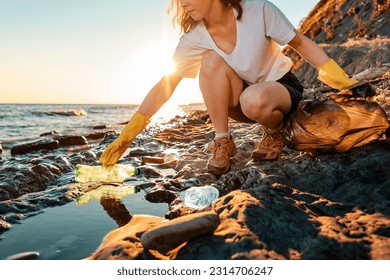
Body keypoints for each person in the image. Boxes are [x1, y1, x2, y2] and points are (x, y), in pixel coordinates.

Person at [99, 0, 358, 175]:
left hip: (279, 89)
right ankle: (223, 141)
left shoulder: (258, 9)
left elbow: (300, 43)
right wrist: (128, 135)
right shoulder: (194, 38)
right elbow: (167, 84)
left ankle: (274, 131)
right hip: (241, 101)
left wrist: (340, 79)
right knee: (210, 60)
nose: (183, 4)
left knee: (254, 98)